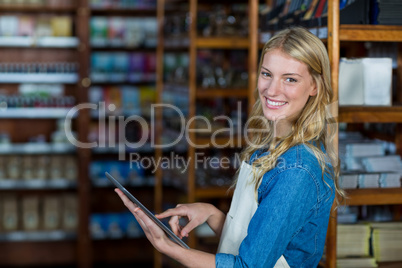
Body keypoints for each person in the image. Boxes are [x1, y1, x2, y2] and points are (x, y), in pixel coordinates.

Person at [115, 26, 344, 267]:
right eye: (267, 74)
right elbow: (261, 242)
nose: (272, 89)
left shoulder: (297, 169)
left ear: (314, 87)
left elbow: (248, 265)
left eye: (290, 79)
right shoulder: (272, 144)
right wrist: (212, 214)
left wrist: (168, 247)